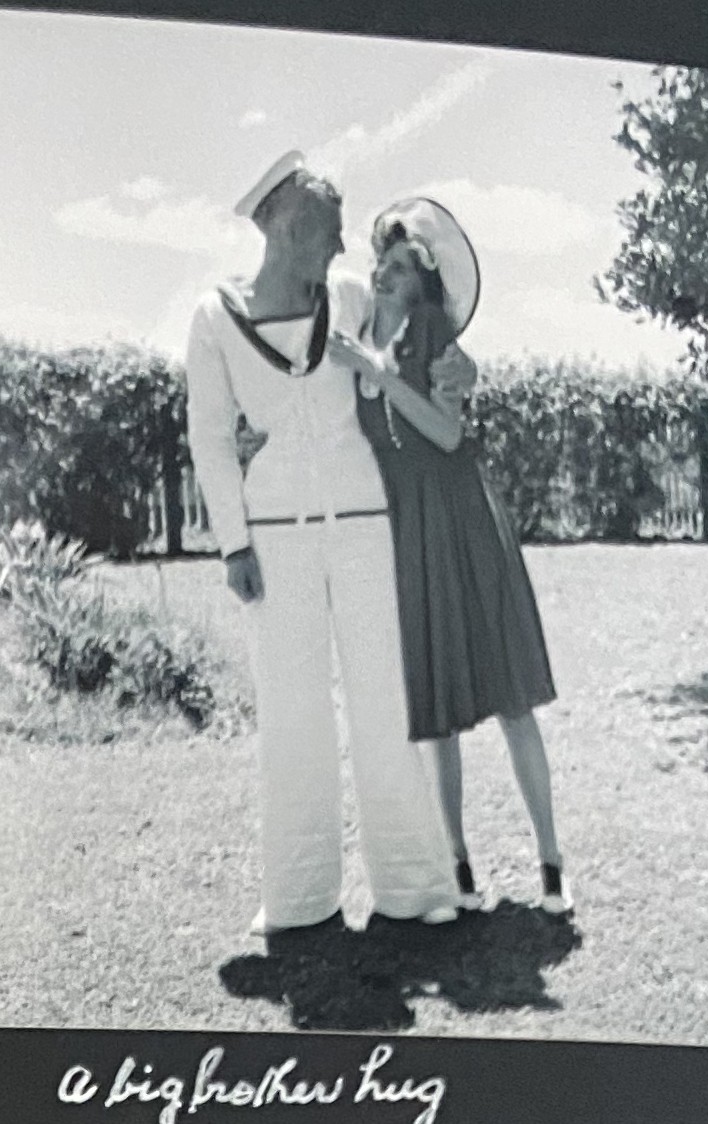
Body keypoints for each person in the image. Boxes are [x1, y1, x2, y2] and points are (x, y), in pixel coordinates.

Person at [185, 154, 475, 938]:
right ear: (284, 224)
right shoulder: (214, 317)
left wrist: (454, 363)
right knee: (292, 715)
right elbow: (211, 440)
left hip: (365, 525)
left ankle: (413, 889)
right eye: (329, 228)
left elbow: (416, 337)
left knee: (385, 704)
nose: (343, 247)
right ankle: (299, 896)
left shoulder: (349, 298)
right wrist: (232, 544)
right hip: (273, 540)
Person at [327, 198, 574, 915]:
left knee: (510, 695)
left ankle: (552, 863)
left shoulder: (431, 336)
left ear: (422, 285)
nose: (385, 274)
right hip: (406, 531)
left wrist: (377, 370)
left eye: (402, 268)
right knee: (435, 706)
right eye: (383, 261)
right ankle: (456, 865)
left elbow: (443, 435)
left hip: (464, 519)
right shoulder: (349, 338)